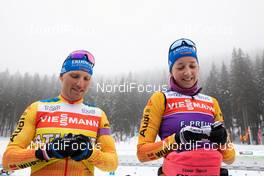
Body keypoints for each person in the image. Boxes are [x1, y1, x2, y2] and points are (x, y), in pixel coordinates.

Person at [2, 50, 118, 176]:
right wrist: (46, 152)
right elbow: (8, 161)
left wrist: (89, 152)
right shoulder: (37, 109)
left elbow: (112, 163)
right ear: (62, 76)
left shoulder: (98, 115)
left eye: (86, 78)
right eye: (74, 76)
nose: (80, 84)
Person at [137, 38, 235, 175]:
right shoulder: (160, 99)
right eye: (180, 67)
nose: (188, 72)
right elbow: (142, 154)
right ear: (171, 71)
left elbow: (230, 158)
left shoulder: (212, 102)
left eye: (192, 66)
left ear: (198, 68)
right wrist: (177, 139)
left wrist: (223, 141)